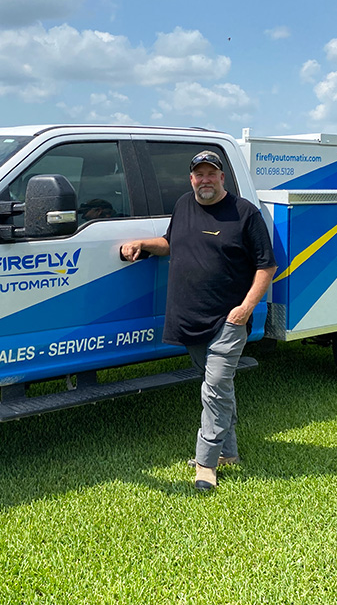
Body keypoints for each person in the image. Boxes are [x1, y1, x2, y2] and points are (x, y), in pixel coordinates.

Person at [120, 151, 276, 491]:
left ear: (222, 178)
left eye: (211, 173)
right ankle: (228, 452)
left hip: (229, 319)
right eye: (199, 174)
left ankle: (206, 464)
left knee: (214, 387)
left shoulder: (245, 213)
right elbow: (170, 243)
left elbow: (267, 266)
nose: (205, 180)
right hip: (189, 317)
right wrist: (142, 244)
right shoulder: (183, 206)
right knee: (218, 387)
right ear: (191, 179)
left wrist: (245, 308)